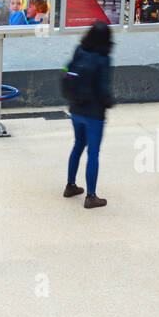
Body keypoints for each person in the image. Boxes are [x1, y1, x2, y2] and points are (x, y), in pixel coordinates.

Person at [63, 21, 113, 209]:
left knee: (78, 145)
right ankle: (91, 196)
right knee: (93, 152)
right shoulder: (103, 58)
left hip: (76, 109)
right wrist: (109, 102)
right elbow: (103, 88)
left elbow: (67, 71)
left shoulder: (79, 50)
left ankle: (70, 185)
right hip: (94, 114)